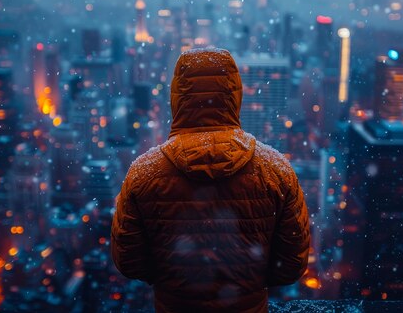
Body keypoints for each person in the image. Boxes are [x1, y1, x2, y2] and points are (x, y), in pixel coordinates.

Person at [111, 48, 310, 312]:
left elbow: (129, 261)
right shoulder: (275, 169)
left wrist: (172, 279)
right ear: (235, 94)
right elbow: (291, 265)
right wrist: (247, 281)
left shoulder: (144, 173)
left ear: (178, 96)